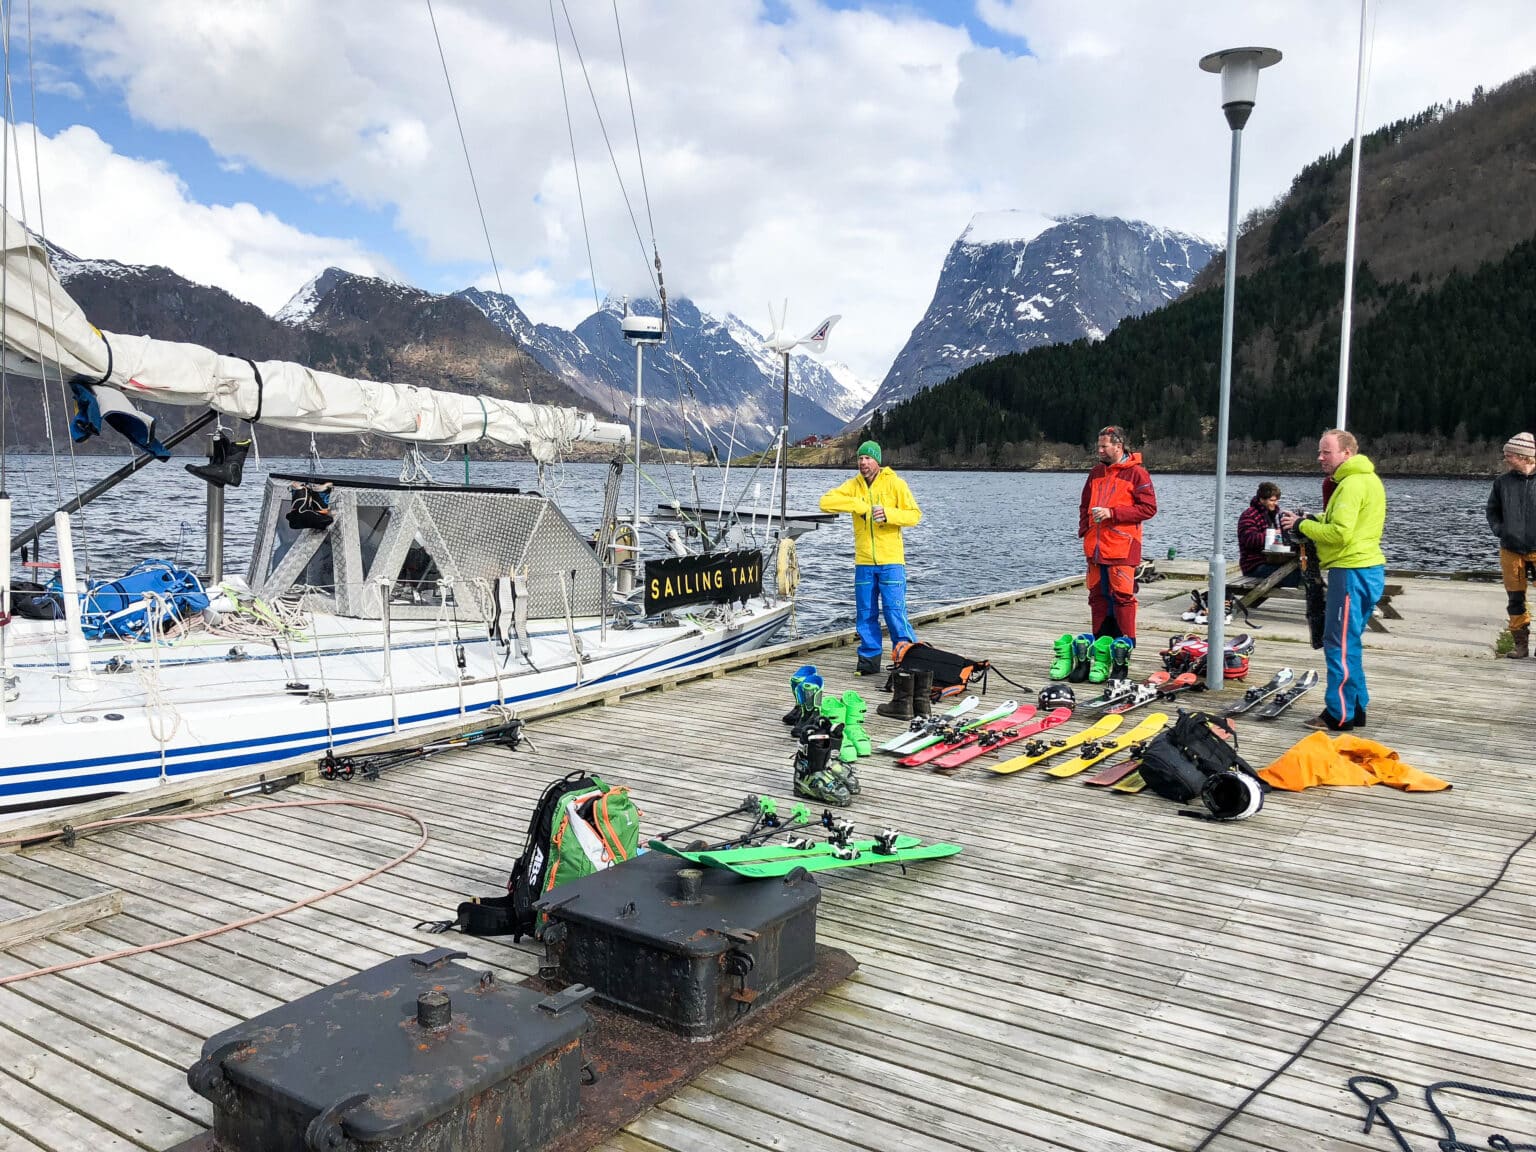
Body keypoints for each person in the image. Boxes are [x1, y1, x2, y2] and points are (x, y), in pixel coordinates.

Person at [1280, 428, 1386, 731]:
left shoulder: (1351, 485)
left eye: (1326, 452)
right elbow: (1339, 523)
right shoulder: (1367, 480)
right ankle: (1356, 706)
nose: (1320, 457)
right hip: (1366, 569)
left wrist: (1302, 524)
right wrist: (1313, 521)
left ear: (1346, 453)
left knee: (1337, 643)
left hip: (1351, 571)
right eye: (1320, 451)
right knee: (1349, 642)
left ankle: (1338, 714)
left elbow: (1340, 533)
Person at [819, 440, 921, 675]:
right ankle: (869, 661)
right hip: (864, 562)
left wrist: (888, 514)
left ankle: (904, 658)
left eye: (868, 458)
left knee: (895, 611)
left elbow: (914, 515)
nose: (863, 463)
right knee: (866, 613)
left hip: (892, 562)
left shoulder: (895, 483)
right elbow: (825, 502)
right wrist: (858, 505)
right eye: (860, 458)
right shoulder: (853, 485)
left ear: (877, 460)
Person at [1078, 425, 1157, 642]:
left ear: (1118, 446)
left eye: (1104, 446)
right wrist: (1084, 530)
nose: (1100, 450)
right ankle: (1100, 645)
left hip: (1122, 547)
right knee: (1097, 597)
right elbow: (1085, 505)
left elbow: (1149, 509)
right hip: (1095, 547)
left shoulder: (1137, 473)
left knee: (1122, 597)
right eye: (1099, 446)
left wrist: (1112, 513)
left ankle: (1126, 646)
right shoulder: (1096, 472)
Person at [1486, 430, 1536, 660]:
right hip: (1510, 549)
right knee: (1515, 599)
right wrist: (1500, 530)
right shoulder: (1502, 483)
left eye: (1509, 455)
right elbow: (1492, 511)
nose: (1505, 458)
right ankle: (1521, 646)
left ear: (1524, 456)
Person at [1237, 481, 1300, 586]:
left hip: (1271, 561)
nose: (1276, 503)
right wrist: (1275, 533)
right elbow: (1249, 540)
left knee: (1305, 571)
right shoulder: (1248, 515)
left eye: (1277, 500)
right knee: (1298, 577)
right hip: (1254, 566)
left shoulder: (1274, 515)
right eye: (1272, 500)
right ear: (1262, 499)